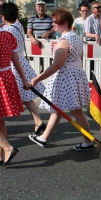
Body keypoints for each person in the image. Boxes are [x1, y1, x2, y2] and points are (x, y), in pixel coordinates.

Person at [29, 8, 93, 151]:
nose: (53, 25)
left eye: (55, 22)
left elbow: (57, 65)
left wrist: (38, 78)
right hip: (75, 74)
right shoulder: (75, 36)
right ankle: (43, 138)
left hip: (66, 76)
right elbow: (80, 55)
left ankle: (88, 142)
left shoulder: (65, 40)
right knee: (61, 109)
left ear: (65, 23)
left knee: (69, 110)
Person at [2, 2, 46, 135]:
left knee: (13, 96)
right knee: (26, 96)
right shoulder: (18, 25)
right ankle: (38, 121)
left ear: (3, 16)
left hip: (12, 64)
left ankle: (37, 121)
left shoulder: (5, 31)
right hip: (21, 62)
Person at [0, 26, 31, 166]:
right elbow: (16, 60)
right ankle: (0, 155)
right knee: (0, 119)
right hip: (6, 76)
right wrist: (24, 81)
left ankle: (7, 148)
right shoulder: (8, 35)